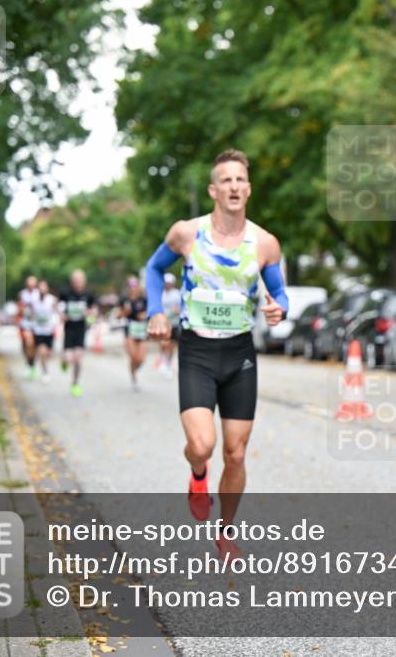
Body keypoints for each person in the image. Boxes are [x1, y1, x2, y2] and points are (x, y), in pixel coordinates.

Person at [145, 149, 288, 560]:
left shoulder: (264, 243)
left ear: (249, 188)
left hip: (239, 352)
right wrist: (156, 310)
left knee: (236, 452)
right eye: (226, 180)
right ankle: (197, 474)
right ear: (213, 189)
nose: (234, 186)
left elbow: (278, 292)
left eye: (240, 180)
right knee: (202, 445)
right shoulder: (187, 234)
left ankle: (225, 532)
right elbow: (154, 269)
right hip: (197, 350)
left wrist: (281, 307)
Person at [58, 269, 97, 396]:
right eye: (75, 281)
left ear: (84, 282)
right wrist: (62, 315)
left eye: (80, 281)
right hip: (69, 329)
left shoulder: (88, 295)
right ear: (72, 282)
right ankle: (64, 361)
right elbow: (58, 307)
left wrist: (90, 314)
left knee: (78, 360)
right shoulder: (66, 294)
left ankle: (75, 383)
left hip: (81, 329)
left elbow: (94, 312)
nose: (78, 283)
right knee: (69, 358)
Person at [121, 277, 149, 391]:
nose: (133, 288)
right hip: (130, 329)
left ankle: (134, 370)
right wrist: (125, 312)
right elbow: (118, 315)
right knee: (133, 356)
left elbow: (150, 312)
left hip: (141, 330)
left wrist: (144, 315)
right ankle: (133, 377)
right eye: (131, 285)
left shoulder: (143, 299)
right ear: (128, 287)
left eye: (135, 285)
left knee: (141, 359)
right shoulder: (124, 299)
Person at [30, 280, 59, 383]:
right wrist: (32, 324)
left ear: (47, 288)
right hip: (38, 331)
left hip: (49, 330)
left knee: (48, 354)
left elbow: (57, 312)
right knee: (42, 352)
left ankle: (45, 367)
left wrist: (56, 325)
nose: (42, 289)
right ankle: (45, 372)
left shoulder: (52, 300)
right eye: (40, 287)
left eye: (44, 286)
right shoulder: (34, 300)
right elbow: (32, 314)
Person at [157, 272, 181, 377]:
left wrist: (174, 311)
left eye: (169, 283)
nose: (167, 284)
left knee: (171, 345)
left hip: (174, 323)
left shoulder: (177, 294)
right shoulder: (160, 293)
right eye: (166, 282)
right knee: (164, 343)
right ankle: (163, 359)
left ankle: (167, 363)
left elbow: (180, 308)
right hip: (163, 323)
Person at [17, 276, 40, 379]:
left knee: (33, 346)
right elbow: (19, 307)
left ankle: (32, 364)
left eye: (33, 282)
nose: (31, 284)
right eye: (29, 282)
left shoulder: (38, 294)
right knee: (26, 344)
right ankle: (28, 363)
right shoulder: (22, 294)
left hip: (35, 324)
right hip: (25, 323)